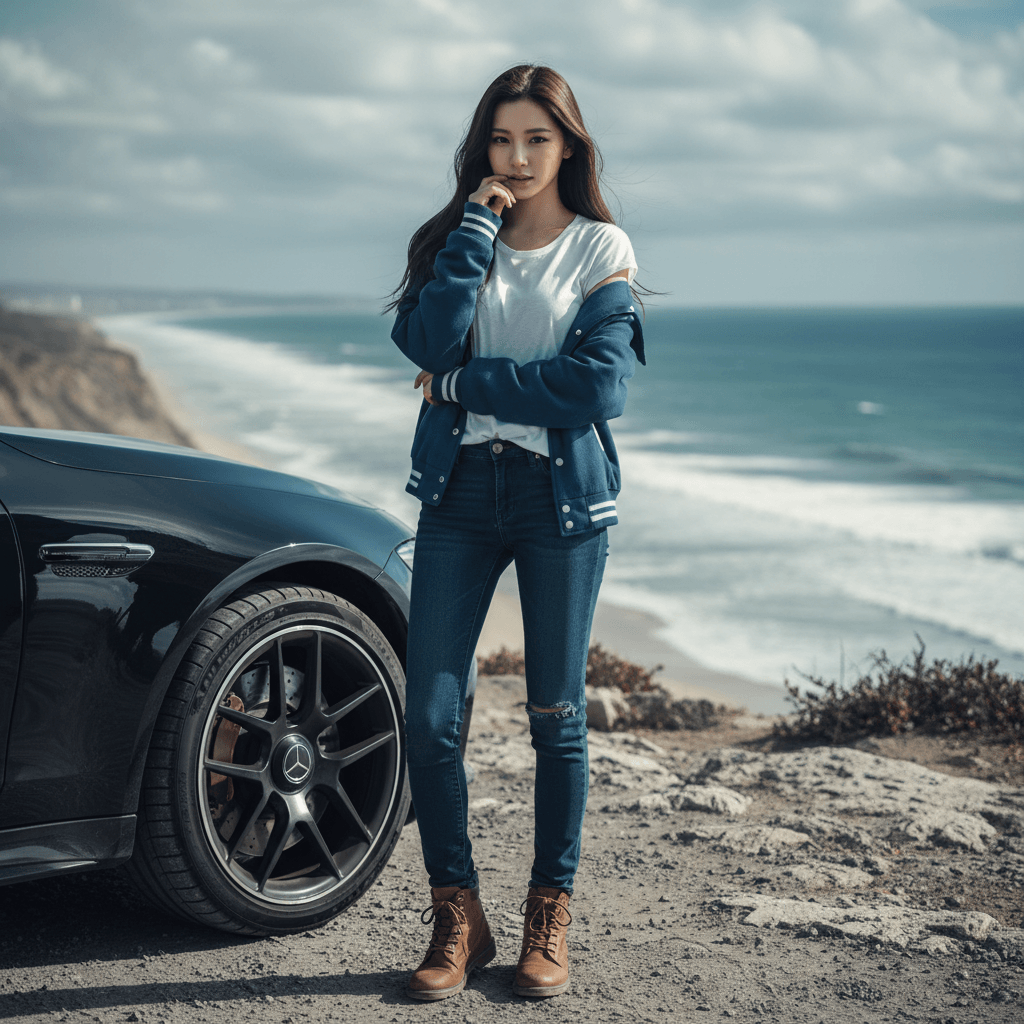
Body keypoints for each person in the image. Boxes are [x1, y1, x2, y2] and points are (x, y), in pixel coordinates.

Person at [388, 63, 645, 1002]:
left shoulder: (600, 248)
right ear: (481, 147)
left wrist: (467, 386)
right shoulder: (462, 235)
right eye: (502, 138)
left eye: (539, 138)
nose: (520, 155)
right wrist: (476, 226)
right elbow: (426, 341)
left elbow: (595, 389)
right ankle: (457, 912)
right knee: (431, 715)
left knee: (556, 717)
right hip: (458, 493)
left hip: (558, 501)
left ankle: (550, 911)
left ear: (570, 145)